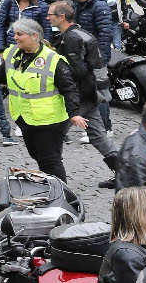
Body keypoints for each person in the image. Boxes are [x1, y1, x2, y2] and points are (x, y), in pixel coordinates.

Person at [5, 18, 86, 180]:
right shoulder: (13, 53)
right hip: (25, 117)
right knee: (38, 156)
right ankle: (50, 185)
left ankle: (61, 195)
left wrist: (74, 113)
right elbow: (5, 75)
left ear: (34, 36)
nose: (15, 37)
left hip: (50, 120)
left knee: (51, 159)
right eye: (15, 34)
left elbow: (69, 89)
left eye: (19, 34)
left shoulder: (53, 60)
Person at [46, 0, 116, 183]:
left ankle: (53, 177)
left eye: (50, 15)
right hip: (89, 93)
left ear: (62, 17)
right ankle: (124, 175)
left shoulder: (71, 38)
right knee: (98, 135)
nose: (47, 18)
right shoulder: (79, 33)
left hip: (80, 95)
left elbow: (75, 70)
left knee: (53, 138)